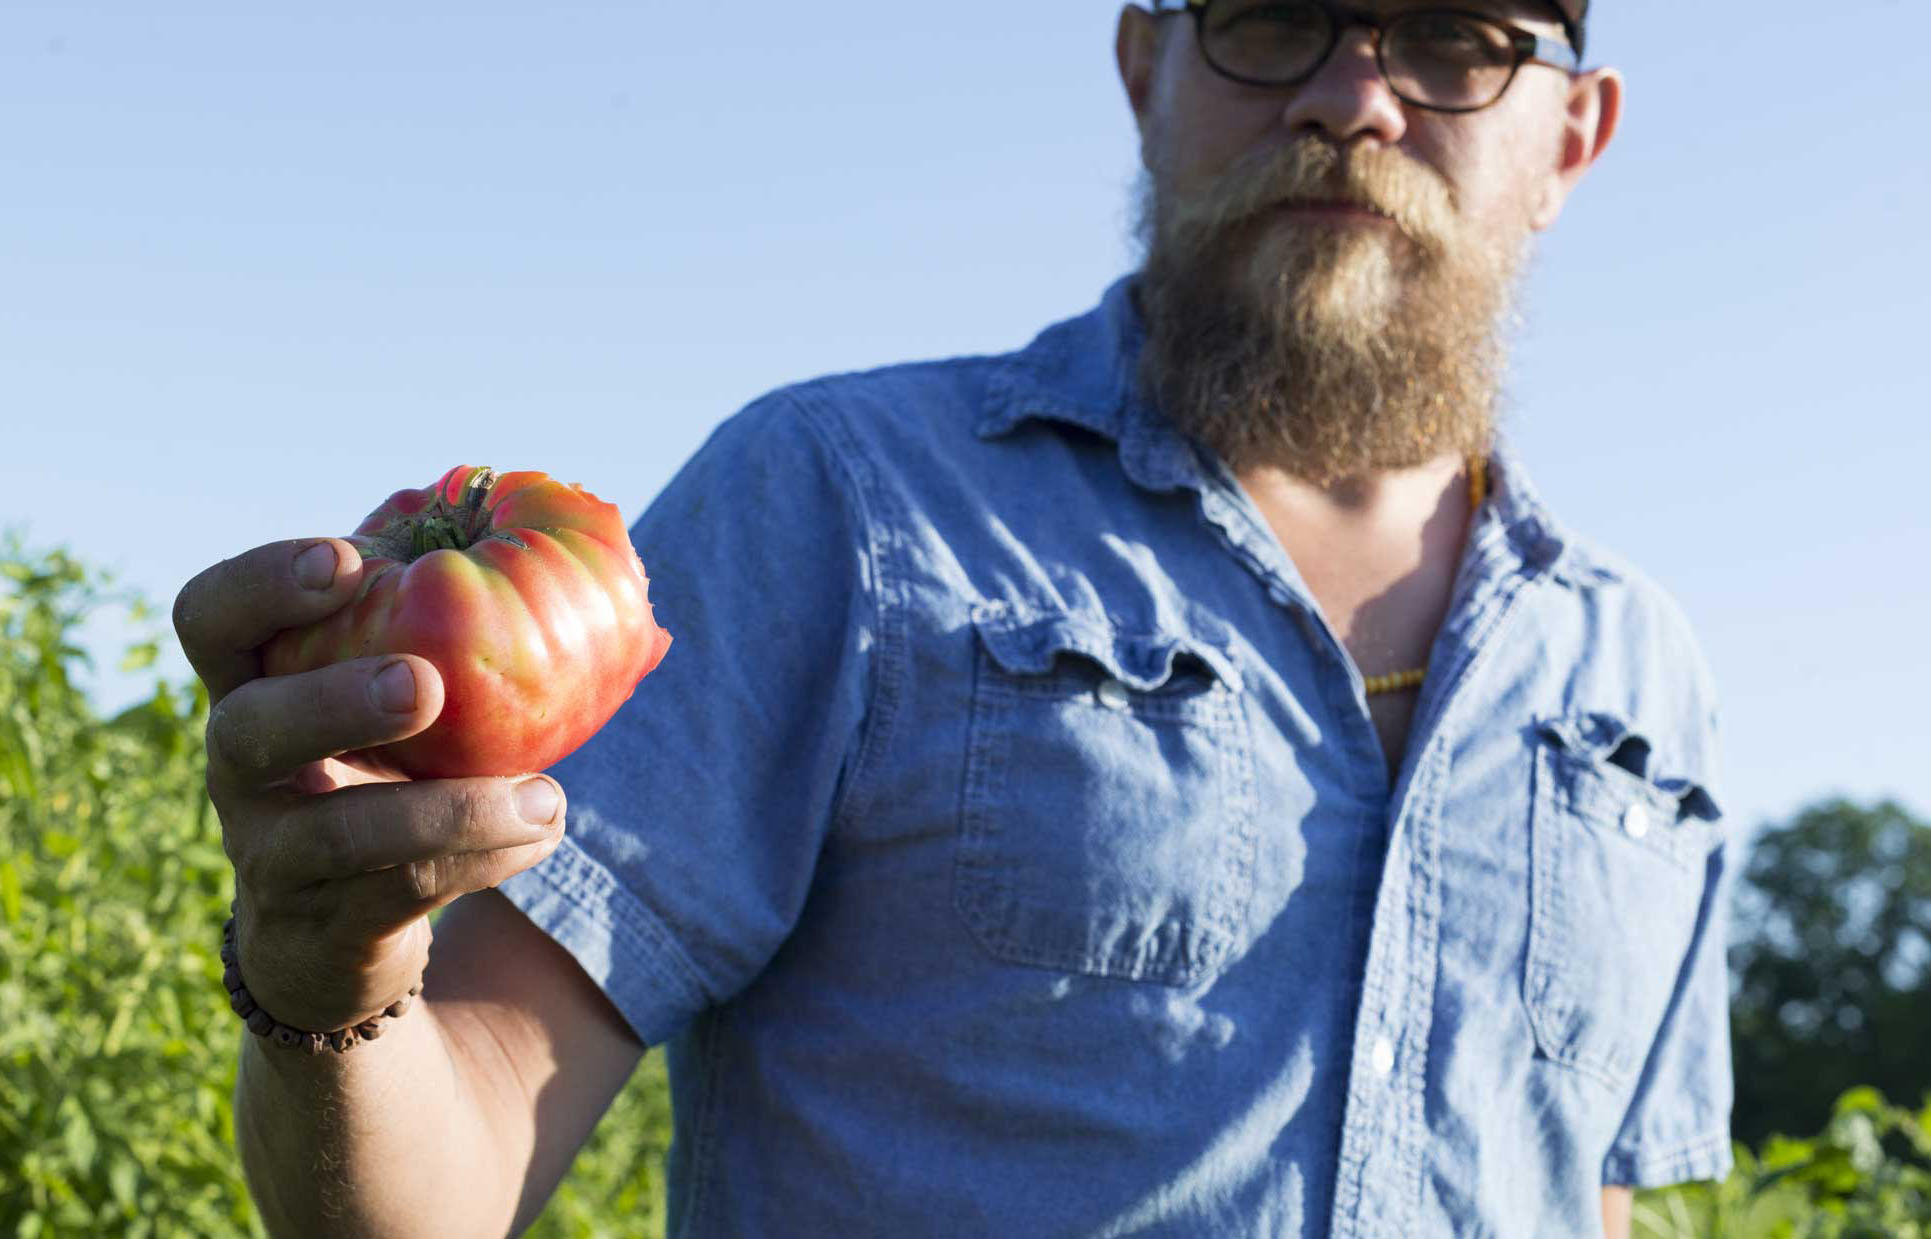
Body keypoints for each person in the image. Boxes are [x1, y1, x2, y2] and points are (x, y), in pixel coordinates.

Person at [174, 1, 1737, 1235]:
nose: (1350, 98)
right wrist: (336, 992)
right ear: (1145, 68)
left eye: (1459, 42)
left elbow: (1573, 1198)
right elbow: (441, 1172)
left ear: (1573, 139)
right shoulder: (838, 502)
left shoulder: (1637, 672)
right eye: (1272, 20)